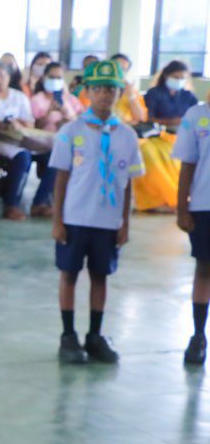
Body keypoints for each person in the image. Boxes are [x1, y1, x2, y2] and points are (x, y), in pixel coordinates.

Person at [50, 59, 142, 365]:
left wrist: (125, 222)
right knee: (69, 274)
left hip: (107, 220)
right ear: (87, 92)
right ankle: (68, 335)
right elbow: (61, 178)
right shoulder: (70, 130)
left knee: (101, 277)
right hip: (75, 218)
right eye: (99, 89)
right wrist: (57, 220)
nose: (105, 95)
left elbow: (127, 182)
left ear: (119, 94)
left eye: (112, 90)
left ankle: (94, 335)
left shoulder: (127, 136)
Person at [136, 60, 198, 213]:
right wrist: (171, 121)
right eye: (175, 77)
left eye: (181, 77)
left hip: (184, 135)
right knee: (150, 154)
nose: (178, 81)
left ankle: (184, 198)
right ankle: (158, 199)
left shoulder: (188, 96)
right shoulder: (154, 94)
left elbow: (197, 116)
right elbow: (147, 118)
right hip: (157, 136)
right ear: (166, 76)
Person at [175, 98, 210, 365]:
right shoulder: (197, 115)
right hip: (203, 204)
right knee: (204, 269)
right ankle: (198, 335)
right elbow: (187, 164)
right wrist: (182, 209)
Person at [0, 61, 35, 220]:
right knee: (23, 157)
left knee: (49, 154)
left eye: (1, 76)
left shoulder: (19, 96)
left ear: (9, 77)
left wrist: (17, 123)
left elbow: (29, 121)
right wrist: (4, 124)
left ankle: (40, 202)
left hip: (20, 137)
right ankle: (11, 204)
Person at [29, 62, 83, 217]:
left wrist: (66, 117)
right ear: (44, 78)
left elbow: (82, 118)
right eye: (51, 77)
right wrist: (49, 113)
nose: (55, 80)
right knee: (59, 160)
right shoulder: (37, 100)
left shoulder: (69, 99)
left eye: (58, 77)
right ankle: (39, 202)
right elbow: (33, 127)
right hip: (43, 145)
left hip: (72, 143)